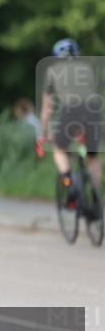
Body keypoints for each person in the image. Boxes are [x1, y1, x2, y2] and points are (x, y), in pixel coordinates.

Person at [40, 38, 101, 213]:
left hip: (70, 110)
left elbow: (48, 107)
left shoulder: (53, 71)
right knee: (92, 156)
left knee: (59, 150)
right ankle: (96, 196)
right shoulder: (88, 68)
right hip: (93, 110)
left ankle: (69, 183)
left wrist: (45, 131)